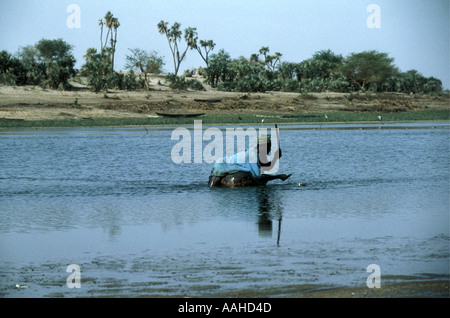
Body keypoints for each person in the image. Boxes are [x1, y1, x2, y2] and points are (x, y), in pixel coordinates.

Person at [208, 134, 292, 187]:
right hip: (220, 166)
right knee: (213, 188)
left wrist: (276, 158)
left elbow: (265, 166)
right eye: (269, 148)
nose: (269, 150)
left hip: (221, 165)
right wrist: (278, 177)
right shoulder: (253, 156)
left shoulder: (256, 153)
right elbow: (258, 177)